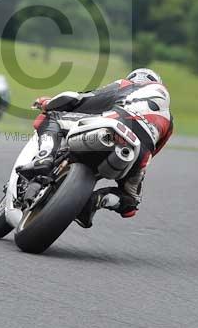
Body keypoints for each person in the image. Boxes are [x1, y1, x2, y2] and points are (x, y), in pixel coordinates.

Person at [18, 68, 174, 228]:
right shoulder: (169, 120)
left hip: (113, 125)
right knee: (130, 202)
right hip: (138, 152)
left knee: (52, 118)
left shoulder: (127, 85)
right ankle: (95, 202)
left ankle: (44, 159)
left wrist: (48, 103)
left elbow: (84, 100)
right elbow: (154, 150)